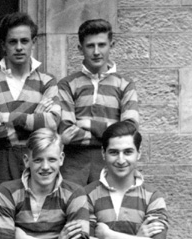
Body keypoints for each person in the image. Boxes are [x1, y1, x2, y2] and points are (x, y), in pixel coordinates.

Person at [0, 12, 60, 185]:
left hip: (38, 158)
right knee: (2, 208)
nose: (19, 47)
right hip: (1, 160)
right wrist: (34, 120)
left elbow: (53, 122)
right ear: (3, 44)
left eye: (24, 41)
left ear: (34, 42)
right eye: (12, 42)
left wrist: (7, 118)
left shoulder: (47, 81)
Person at [57, 19, 139, 186]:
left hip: (111, 164)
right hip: (73, 165)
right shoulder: (67, 84)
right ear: (80, 48)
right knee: (73, 208)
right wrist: (109, 131)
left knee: (108, 209)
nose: (96, 52)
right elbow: (66, 132)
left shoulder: (125, 85)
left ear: (111, 45)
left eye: (102, 45)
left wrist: (86, 123)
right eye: (90, 46)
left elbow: (128, 130)